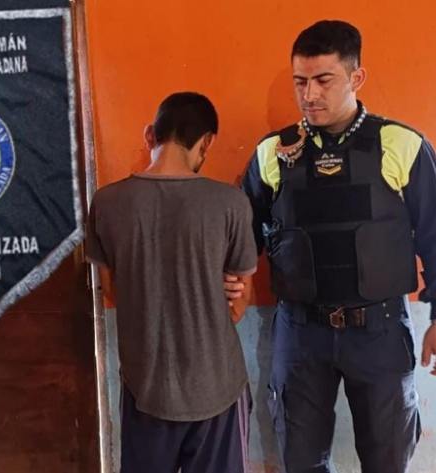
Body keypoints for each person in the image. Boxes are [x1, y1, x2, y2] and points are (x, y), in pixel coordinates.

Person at [225, 20, 436, 473]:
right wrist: (235, 280)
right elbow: (244, 234)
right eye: (300, 82)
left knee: (387, 458)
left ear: (356, 77)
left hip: (379, 328)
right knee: (300, 460)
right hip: (300, 331)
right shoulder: (273, 152)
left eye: (323, 80)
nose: (309, 94)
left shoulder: (400, 144)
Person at [85, 92, 258, 473]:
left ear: (150, 135)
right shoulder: (230, 203)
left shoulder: (107, 203)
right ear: (207, 142)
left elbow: (111, 291)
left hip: (146, 389)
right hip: (217, 390)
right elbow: (237, 306)